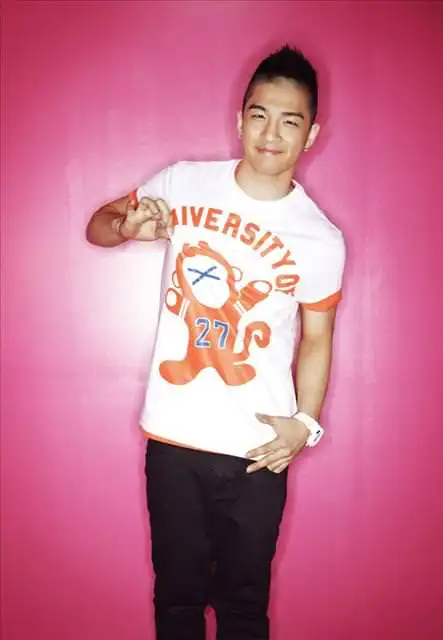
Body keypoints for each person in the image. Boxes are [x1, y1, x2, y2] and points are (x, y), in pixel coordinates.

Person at [86, 45, 346, 640]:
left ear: (310, 135)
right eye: (260, 115)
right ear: (239, 120)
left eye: (290, 121)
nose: (271, 134)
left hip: (258, 449)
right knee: (176, 603)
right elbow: (98, 226)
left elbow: (317, 337)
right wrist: (126, 226)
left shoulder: (320, 238)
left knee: (243, 609)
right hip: (175, 439)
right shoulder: (183, 183)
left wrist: (306, 424)